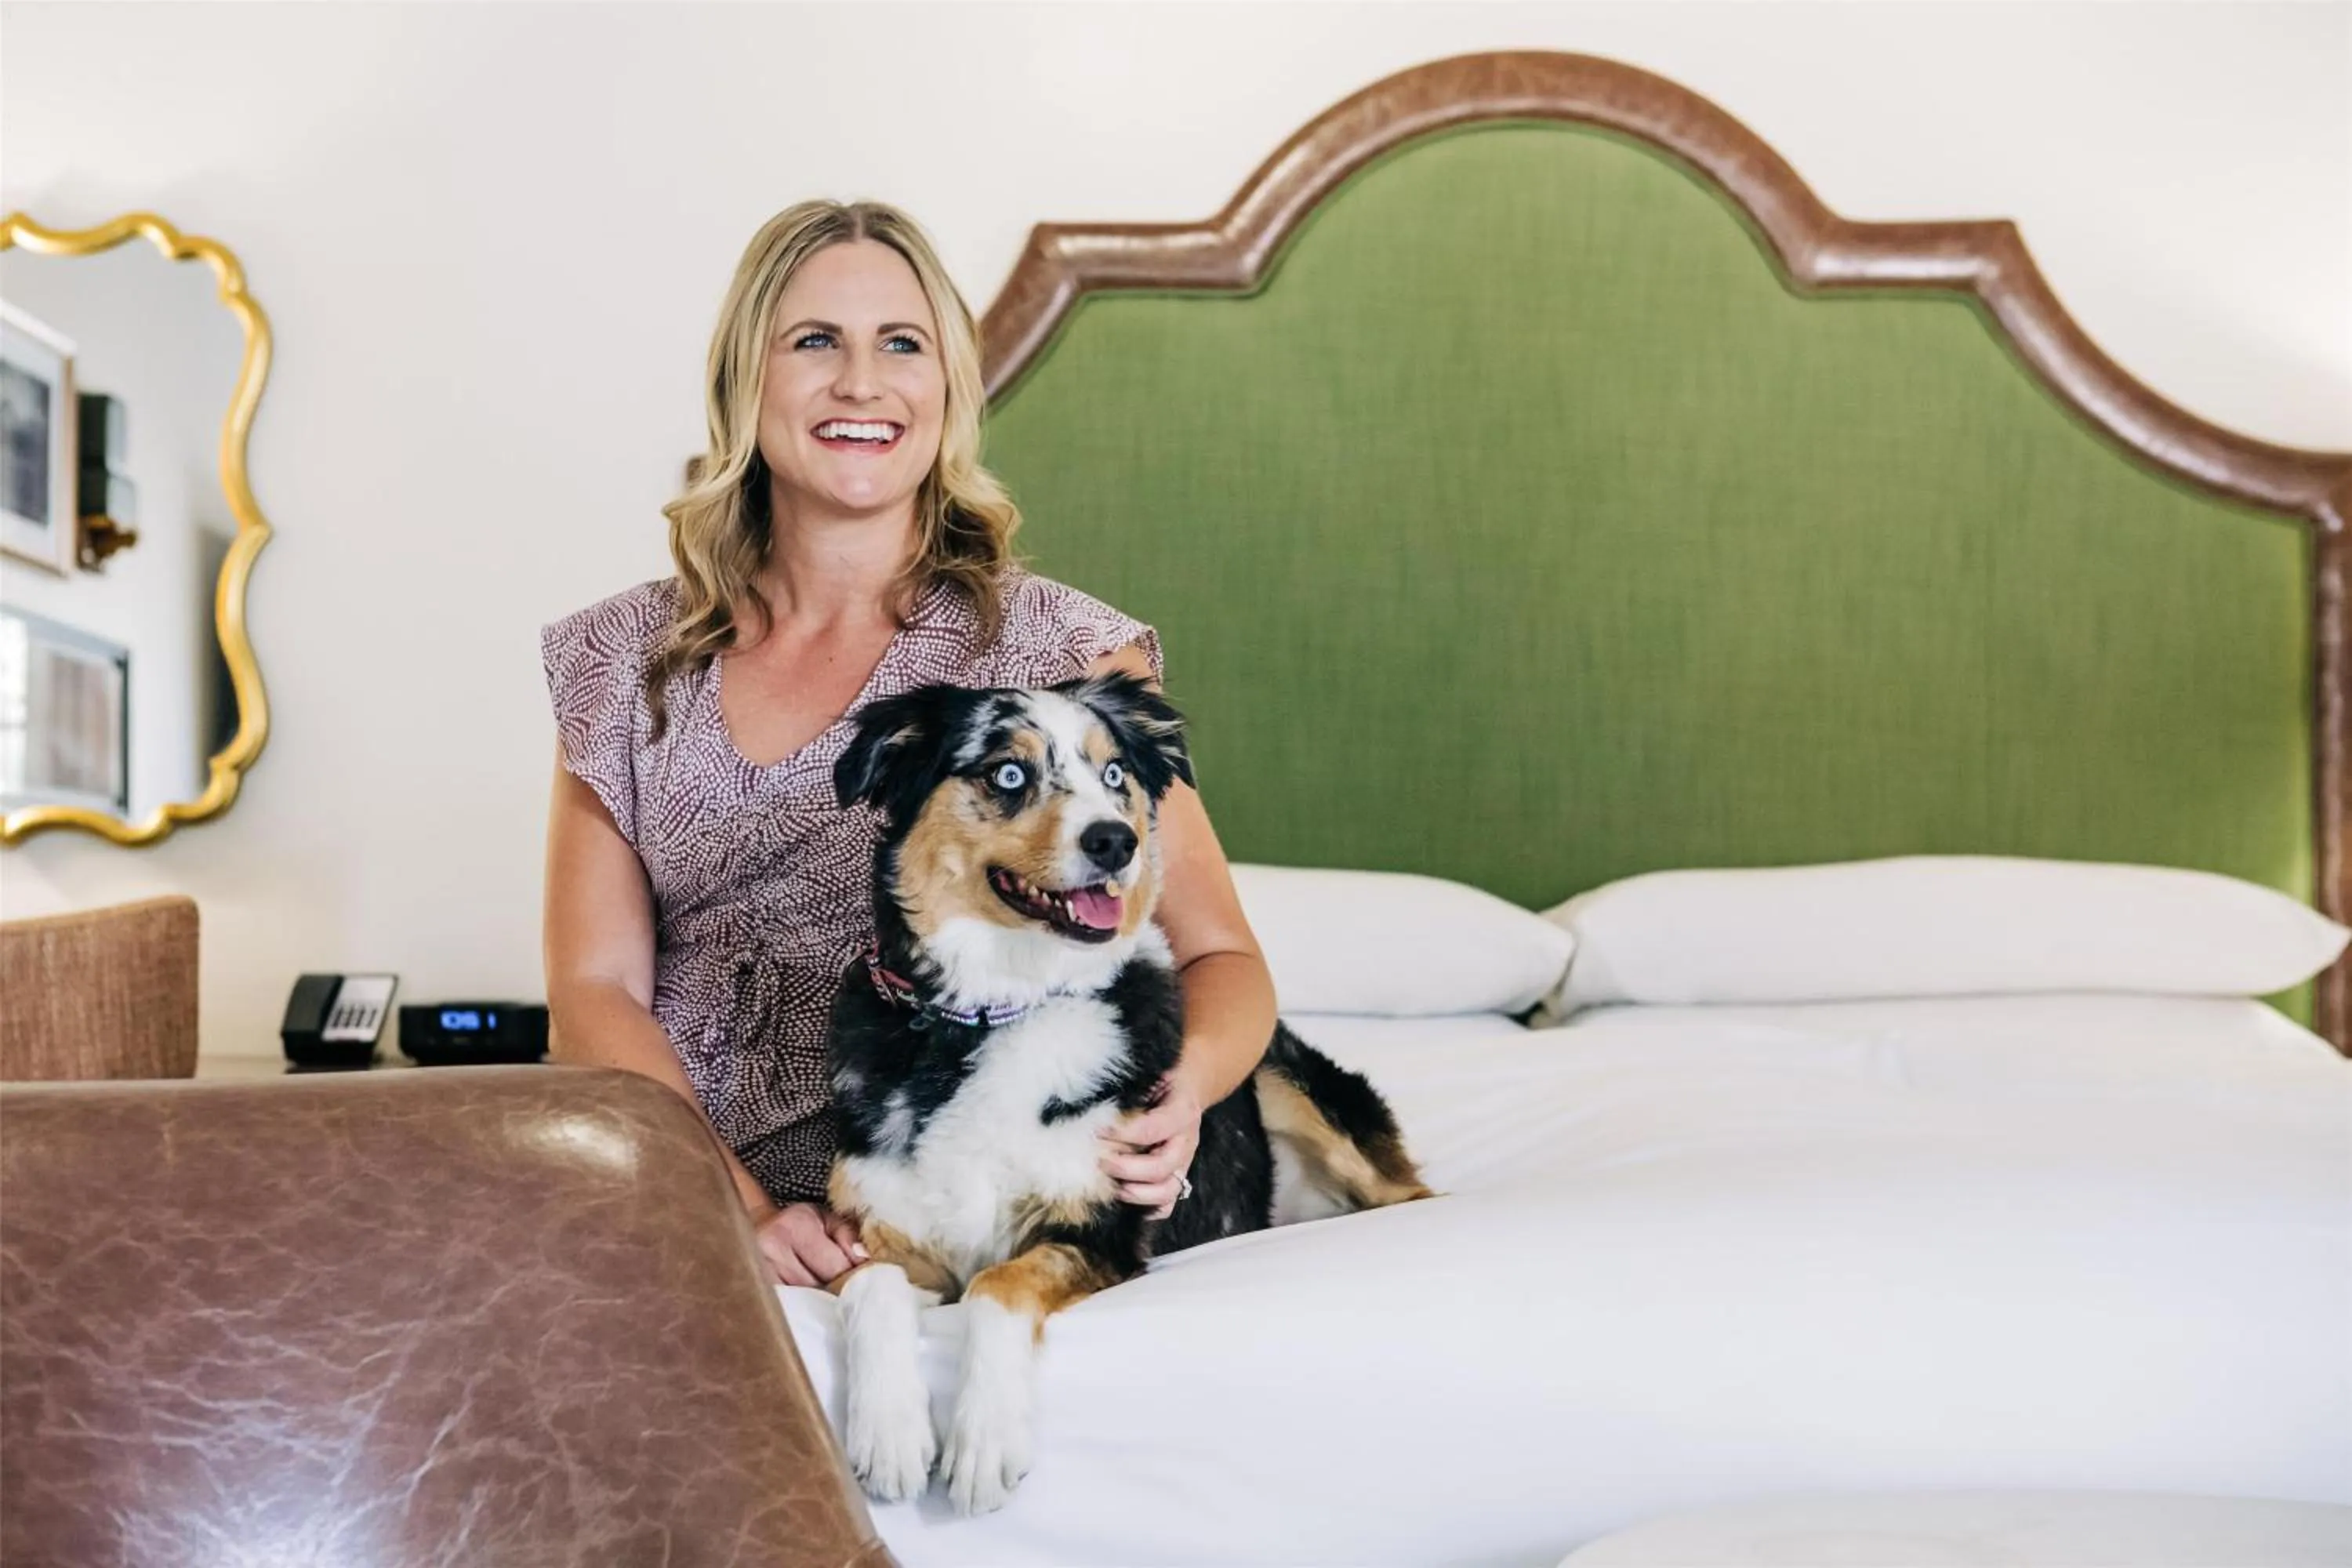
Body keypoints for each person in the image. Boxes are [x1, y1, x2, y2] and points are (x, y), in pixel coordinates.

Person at [540, 200, 1275, 1288]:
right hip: (680, 1181)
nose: (860, 384)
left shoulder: (1064, 653)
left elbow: (1222, 956)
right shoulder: (624, 662)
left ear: (947, 390)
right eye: (813, 343)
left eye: (902, 344)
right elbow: (593, 988)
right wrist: (736, 1210)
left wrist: (1178, 1098)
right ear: (747, 380)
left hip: (966, 1199)